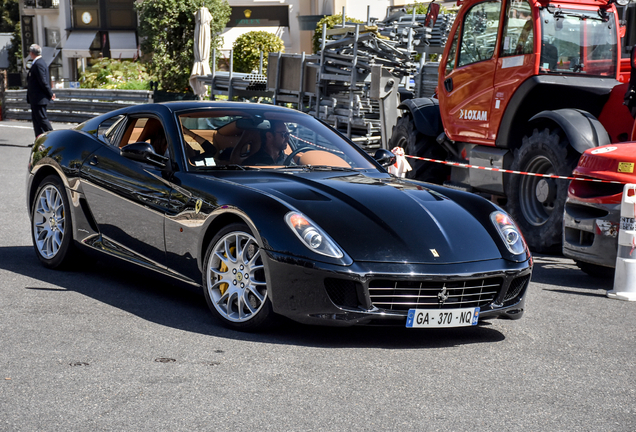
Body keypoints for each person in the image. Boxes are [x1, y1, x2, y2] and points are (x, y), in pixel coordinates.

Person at [26, 44, 56, 138]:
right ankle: (39, 140)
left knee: (42, 119)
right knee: (36, 120)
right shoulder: (37, 63)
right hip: (35, 98)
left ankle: (53, 137)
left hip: (39, 97)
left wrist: (50, 93)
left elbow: (43, 81)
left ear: (31, 53)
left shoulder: (39, 64)